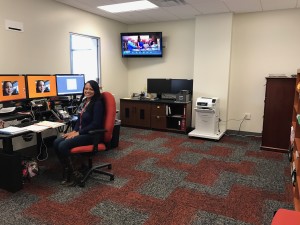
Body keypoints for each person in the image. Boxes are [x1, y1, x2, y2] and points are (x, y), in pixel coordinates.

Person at [53, 80, 104, 186]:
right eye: (86, 89)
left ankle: (75, 175)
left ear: (95, 91)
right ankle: (68, 170)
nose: (88, 91)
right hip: (81, 132)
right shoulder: (84, 101)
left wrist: (78, 133)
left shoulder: (97, 103)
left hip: (91, 134)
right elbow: (79, 119)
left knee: (63, 146)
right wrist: (74, 131)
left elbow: (96, 124)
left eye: (91, 89)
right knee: (56, 142)